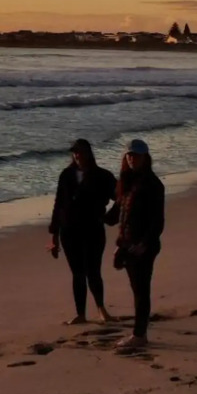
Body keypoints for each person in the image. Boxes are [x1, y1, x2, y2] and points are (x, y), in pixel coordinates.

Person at [47, 138, 117, 324]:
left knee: (93, 270)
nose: (78, 155)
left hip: (93, 229)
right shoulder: (66, 175)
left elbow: (121, 197)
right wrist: (54, 236)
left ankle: (102, 310)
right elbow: (58, 204)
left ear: (89, 153)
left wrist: (109, 217)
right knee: (77, 273)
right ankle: (80, 314)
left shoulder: (103, 176)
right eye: (75, 152)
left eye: (81, 152)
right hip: (69, 231)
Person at [106, 138, 166, 351]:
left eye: (136, 155)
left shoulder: (153, 185)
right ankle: (139, 333)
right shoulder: (127, 182)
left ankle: (139, 336)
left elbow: (157, 222)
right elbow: (114, 216)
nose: (132, 159)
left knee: (141, 290)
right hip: (127, 243)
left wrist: (143, 244)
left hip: (144, 246)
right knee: (136, 289)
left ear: (145, 158)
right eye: (129, 155)